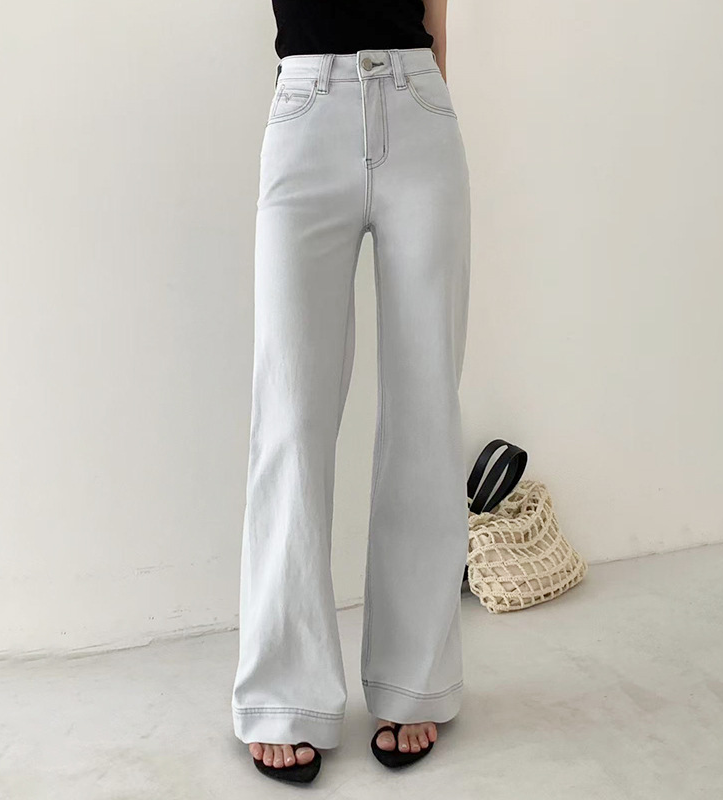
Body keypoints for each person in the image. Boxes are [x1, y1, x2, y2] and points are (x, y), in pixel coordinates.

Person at [232, 0, 471, 783]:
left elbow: (435, 8)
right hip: (305, 107)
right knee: (289, 416)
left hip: (417, 104)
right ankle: (283, 689)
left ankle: (414, 677)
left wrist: (427, 98)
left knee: (425, 410)